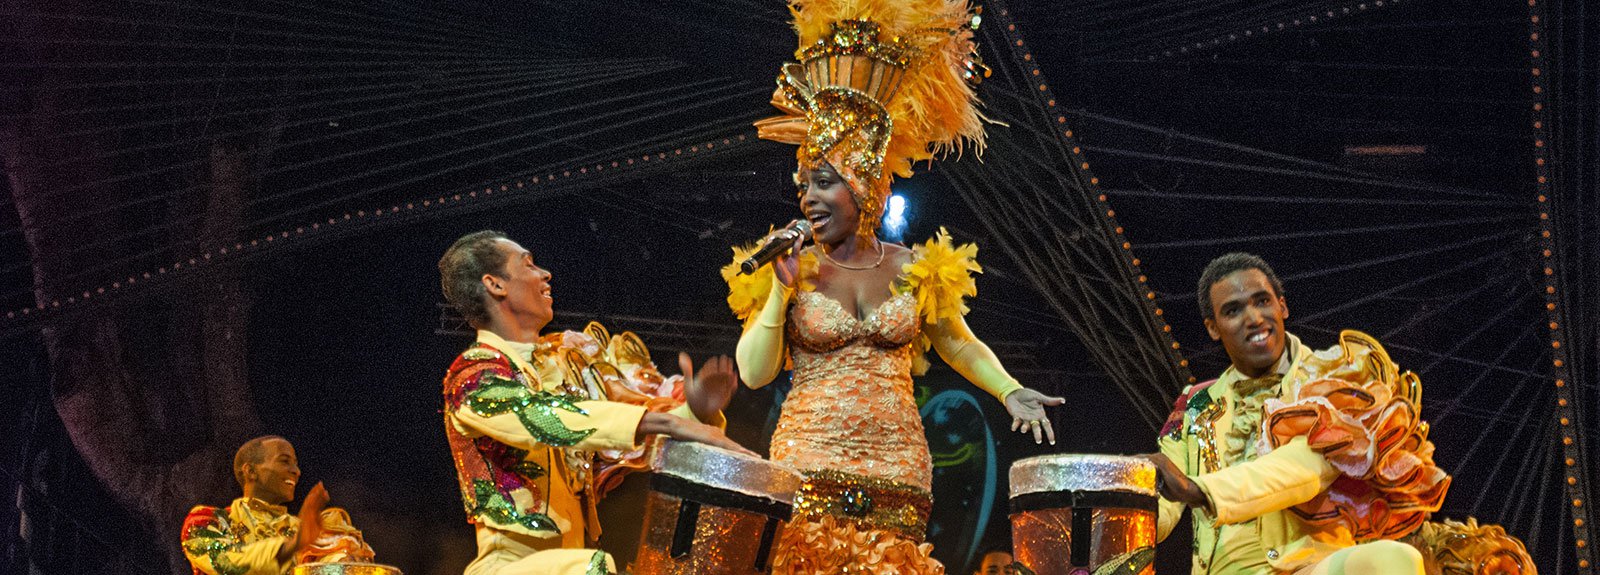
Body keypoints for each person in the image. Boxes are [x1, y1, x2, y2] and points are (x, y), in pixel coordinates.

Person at [727, 1, 1064, 571]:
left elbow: (956, 342)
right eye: (804, 184)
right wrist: (782, 290)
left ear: (864, 188)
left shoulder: (913, 265)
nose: (808, 197)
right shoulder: (789, 264)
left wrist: (1009, 390)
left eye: (825, 182)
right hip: (808, 463)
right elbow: (756, 373)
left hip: (899, 466)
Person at [439, 230, 752, 575]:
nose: (545, 274)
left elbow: (617, 440)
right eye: (528, 264)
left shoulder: (563, 369)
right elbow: (539, 416)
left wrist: (696, 411)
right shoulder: (473, 374)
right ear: (495, 285)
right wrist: (670, 422)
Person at [1145, 253, 1449, 574]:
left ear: (1282, 307)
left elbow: (1302, 469)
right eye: (1233, 310)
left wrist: (1198, 489)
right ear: (1213, 328)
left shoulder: (1334, 378)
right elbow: (1163, 502)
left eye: (1262, 301)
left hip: (1305, 567)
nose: (1254, 318)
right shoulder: (1196, 403)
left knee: (1393, 559)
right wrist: (1122, 493)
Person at [180, 435, 375, 575]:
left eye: (296, 464)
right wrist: (294, 545)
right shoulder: (208, 520)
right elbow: (226, 564)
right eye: (284, 461)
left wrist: (345, 556)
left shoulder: (308, 530)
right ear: (250, 471)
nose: (296, 471)